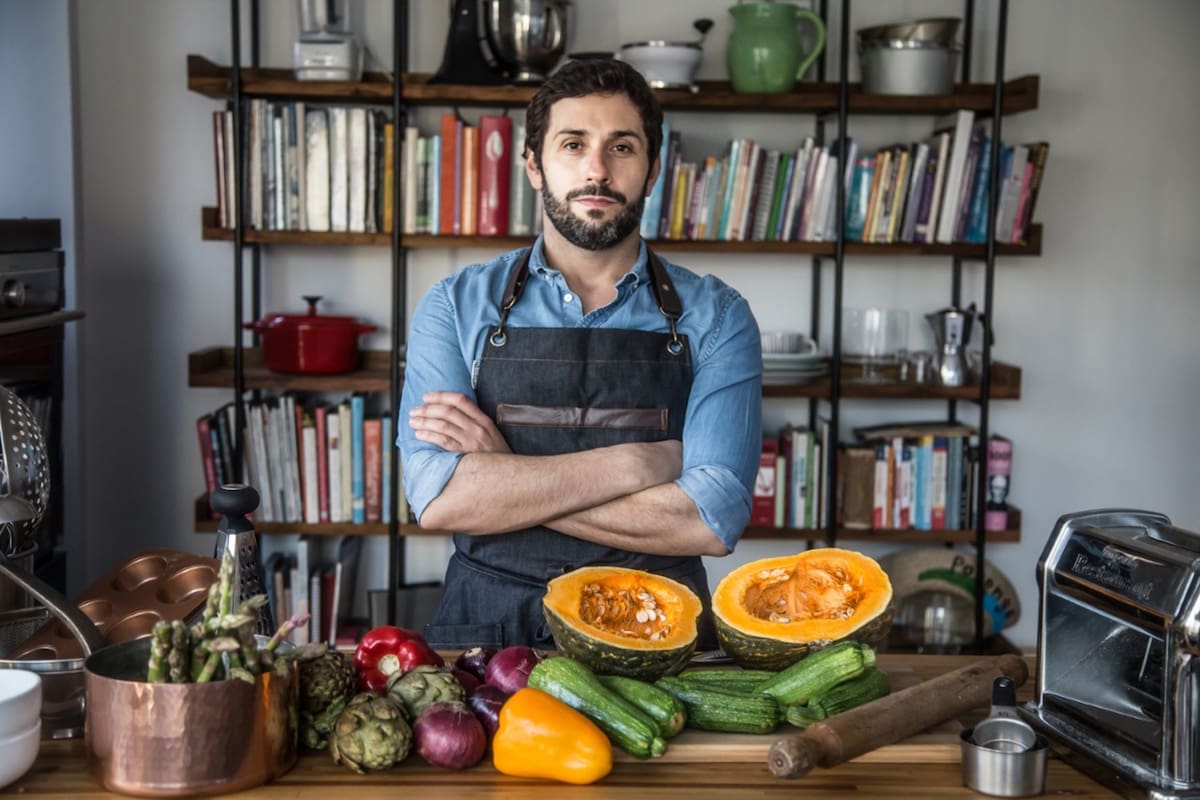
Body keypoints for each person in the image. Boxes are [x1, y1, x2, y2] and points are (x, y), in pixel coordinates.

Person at [398, 58, 763, 651]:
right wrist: (639, 465)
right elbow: (440, 499)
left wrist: (504, 471)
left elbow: (710, 520)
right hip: (489, 635)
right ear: (534, 166)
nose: (597, 170)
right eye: (573, 144)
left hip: (658, 635)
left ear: (651, 171)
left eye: (621, 146)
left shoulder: (718, 317)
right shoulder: (455, 306)